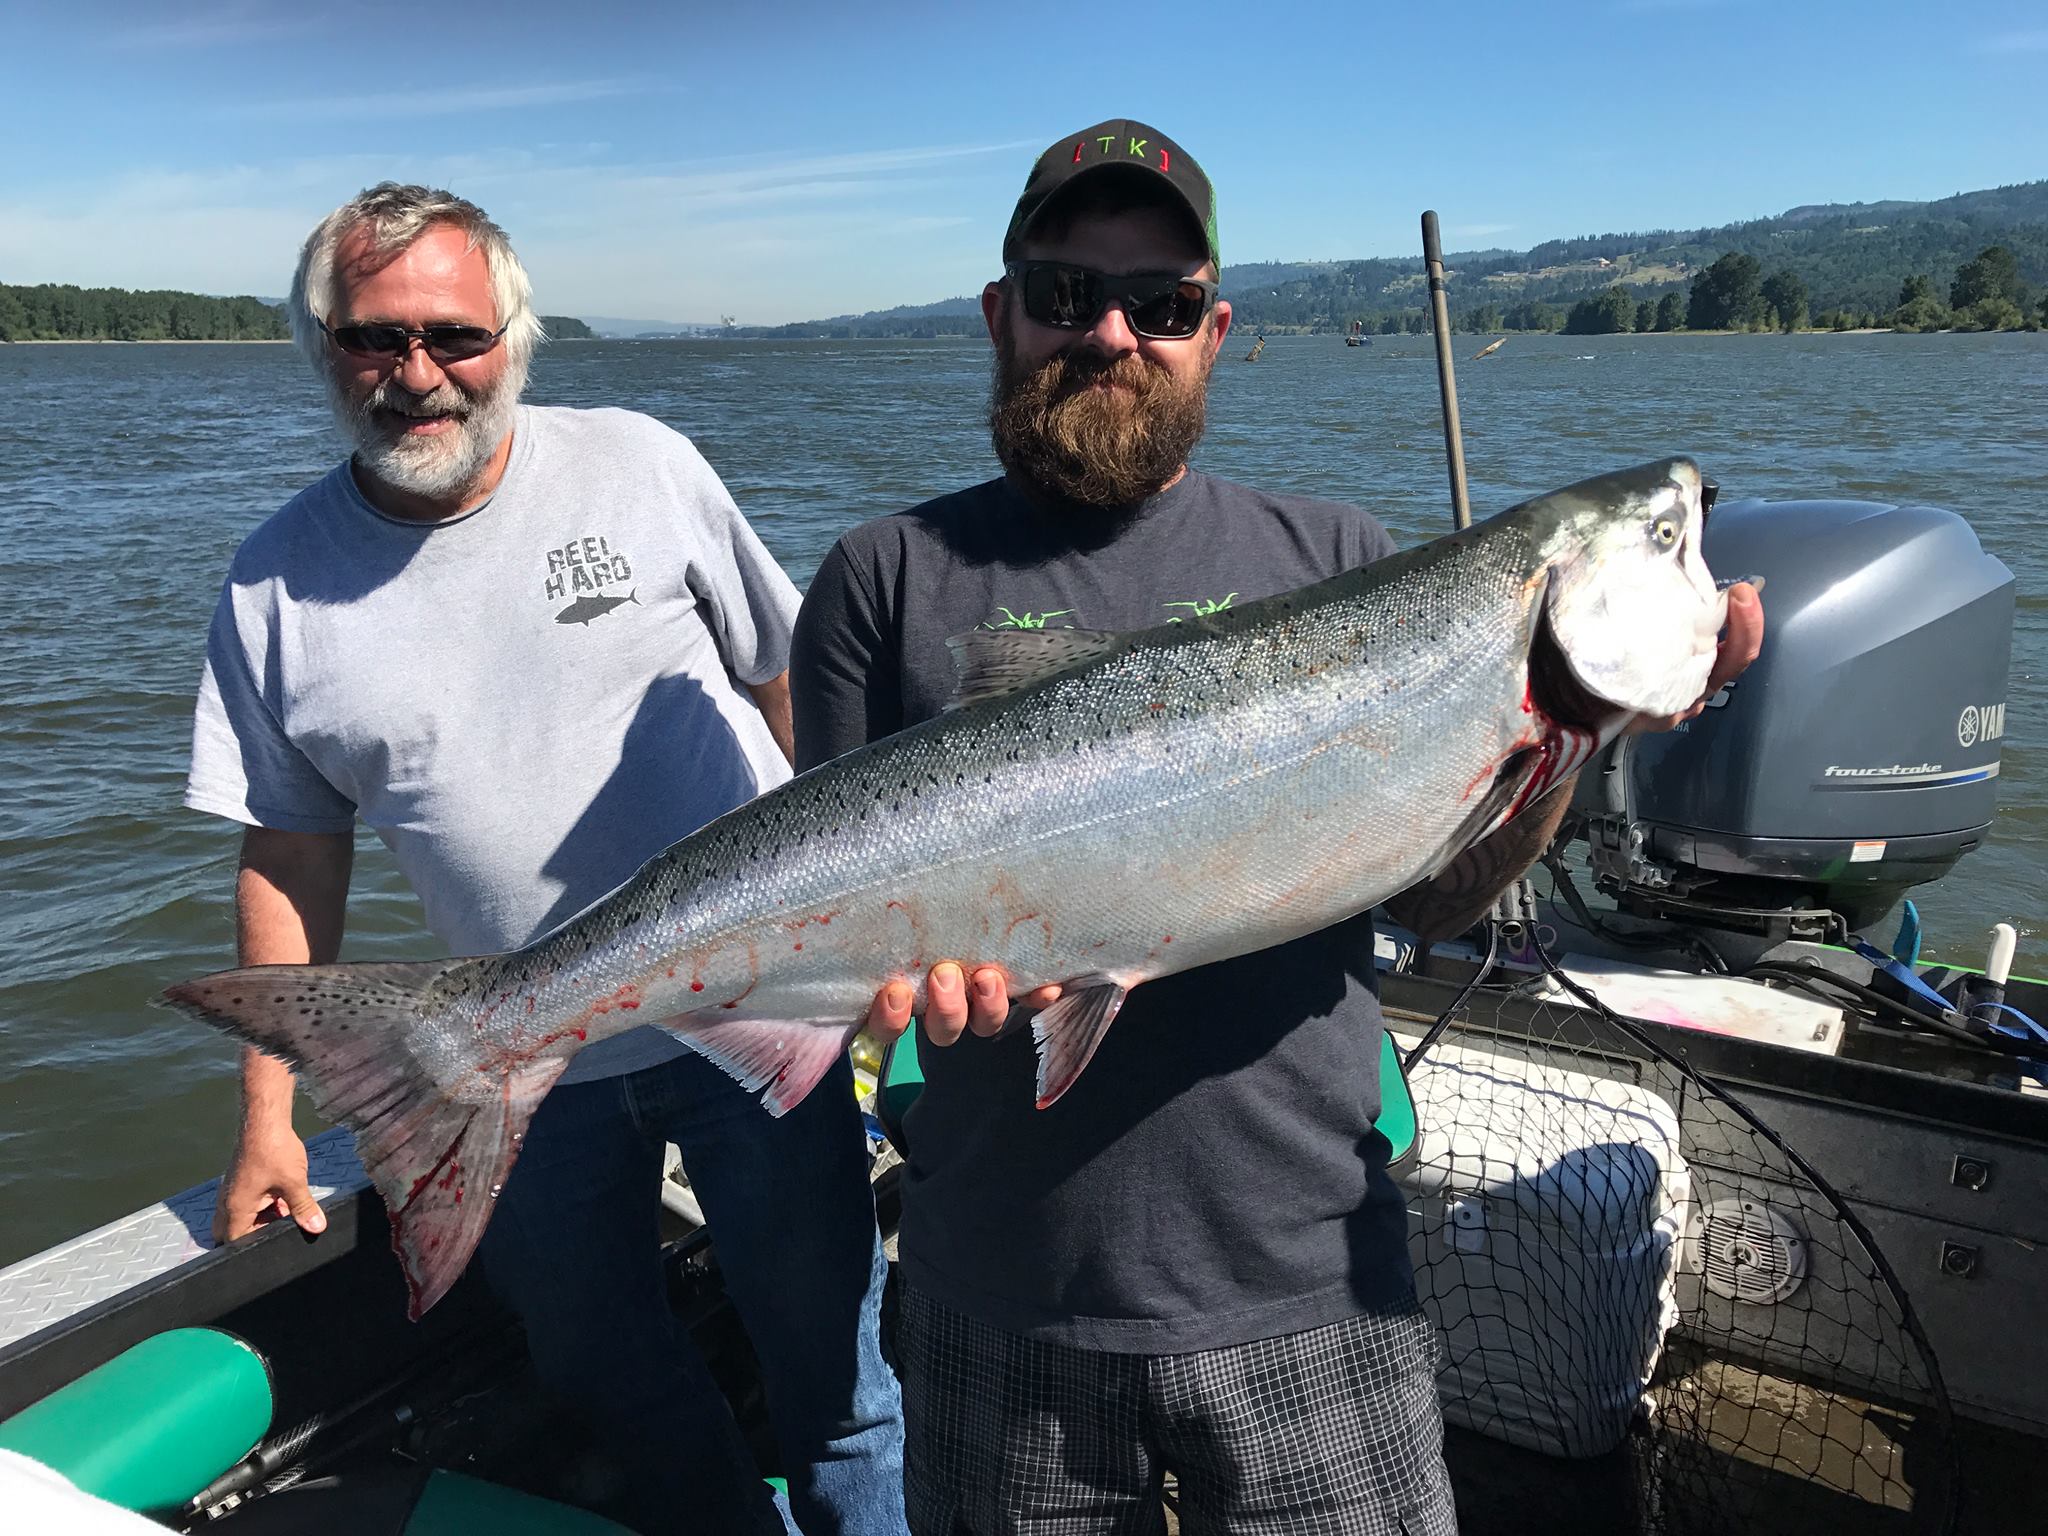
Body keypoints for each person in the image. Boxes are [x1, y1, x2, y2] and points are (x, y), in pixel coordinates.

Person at [794, 121, 1764, 1534]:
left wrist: (1576, 740)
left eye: (1163, 305)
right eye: (1068, 293)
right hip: (994, 1285)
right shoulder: (883, 577)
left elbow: (1432, 904)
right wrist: (897, 1000)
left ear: (1217, 331)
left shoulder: (1342, 561)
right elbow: (834, 909)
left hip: (1307, 1277)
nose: (1113, 333)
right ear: (1001, 312)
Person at [184, 182, 907, 1536]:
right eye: (371, 338)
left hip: (764, 1021)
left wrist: (873, 933)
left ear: (514, 340)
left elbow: (793, 691)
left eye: (453, 336)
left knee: (841, 1384)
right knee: (599, 1373)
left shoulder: (643, 463)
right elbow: (291, 853)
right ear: (321, 348)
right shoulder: (270, 585)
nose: (417, 374)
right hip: (512, 1066)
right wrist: (271, 1120)